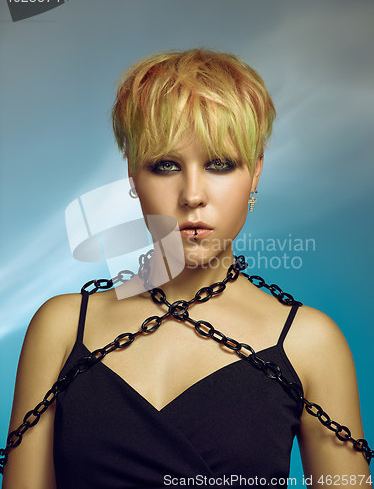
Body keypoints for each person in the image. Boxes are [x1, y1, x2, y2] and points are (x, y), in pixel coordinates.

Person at [2, 49, 372, 489]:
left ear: (255, 174)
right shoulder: (61, 327)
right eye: (166, 165)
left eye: (219, 164)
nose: (192, 194)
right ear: (133, 178)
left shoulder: (311, 344)